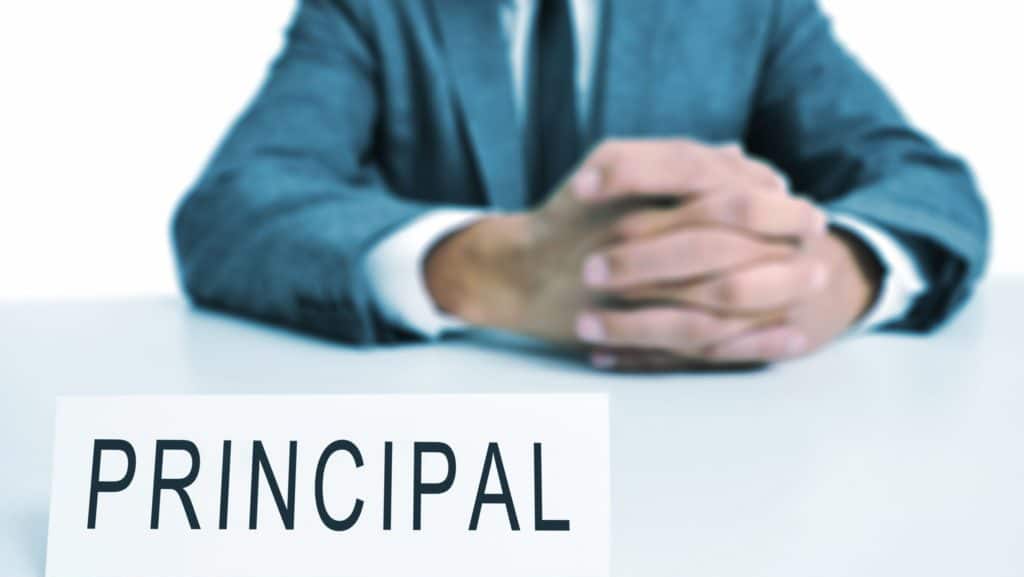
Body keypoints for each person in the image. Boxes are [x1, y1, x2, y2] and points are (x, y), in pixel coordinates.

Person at [173, 0, 988, 371]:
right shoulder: (372, 12)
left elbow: (925, 184)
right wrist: (492, 268)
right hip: (458, 473)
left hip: (712, 480)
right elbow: (231, 207)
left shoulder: (748, 10)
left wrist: (821, 278)